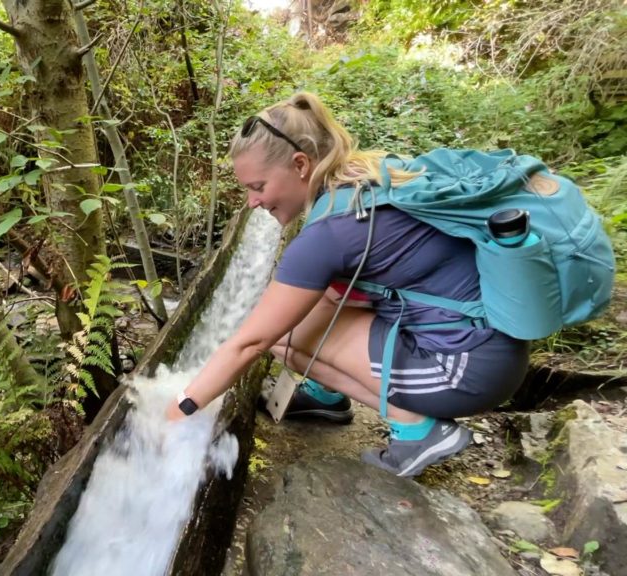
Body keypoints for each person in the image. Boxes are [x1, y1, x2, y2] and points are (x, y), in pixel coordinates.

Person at [165, 92, 530, 477]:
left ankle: (418, 430)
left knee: (277, 336)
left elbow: (250, 342)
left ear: (300, 164)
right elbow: (340, 294)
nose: (252, 202)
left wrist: (181, 409)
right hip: (491, 348)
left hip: (464, 369)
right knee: (307, 312)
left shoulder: (329, 234)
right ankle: (329, 396)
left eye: (258, 186)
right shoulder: (361, 181)